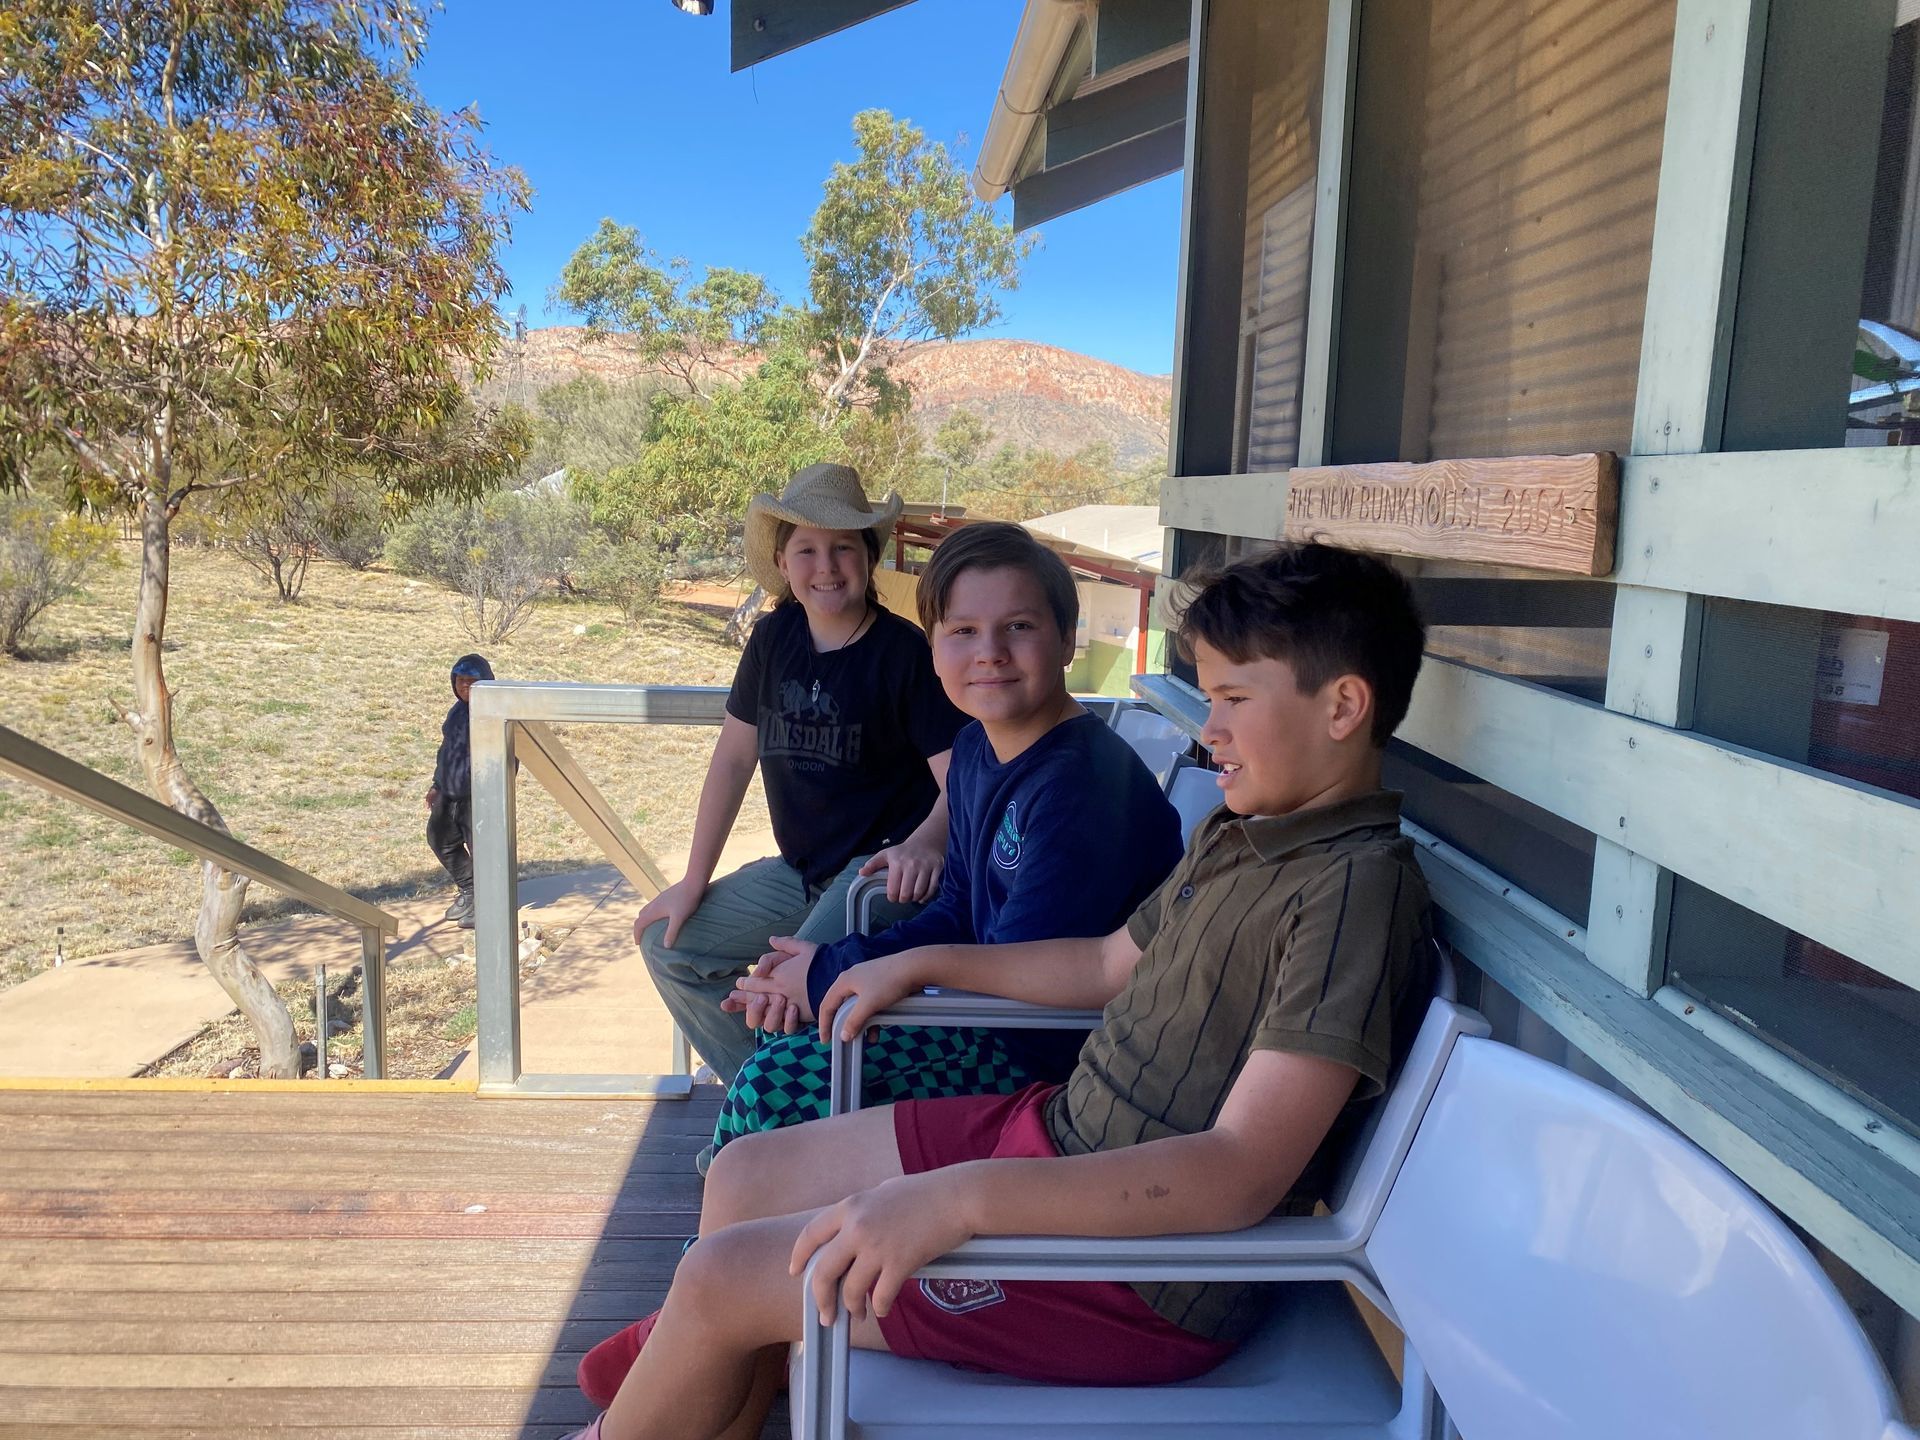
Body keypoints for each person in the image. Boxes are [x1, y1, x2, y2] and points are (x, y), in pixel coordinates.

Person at [560, 542, 1437, 1440]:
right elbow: (1102, 964)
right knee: (749, 1173)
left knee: (722, 1279)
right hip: (1062, 1136)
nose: (1208, 729)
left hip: (1138, 1279)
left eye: (1234, 700)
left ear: (1342, 706)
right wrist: (919, 962)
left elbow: (1238, 1175)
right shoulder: (1245, 832)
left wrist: (957, 1199)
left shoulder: (1350, 894)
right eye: (1209, 699)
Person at [573, 524, 1186, 1408]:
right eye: (963, 633)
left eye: (1018, 628)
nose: (990, 654)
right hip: (989, 1017)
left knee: (778, 1084)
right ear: (933, 645)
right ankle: (713, 1323)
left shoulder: (1080, 784)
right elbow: (952, 913)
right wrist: (831, 962)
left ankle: (702, 1328)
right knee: (784, 1065)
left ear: (1066, 640)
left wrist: (838, 983)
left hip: (1043, 1060)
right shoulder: (981, 750)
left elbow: (1024, 969)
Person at [635, 464, 966, 1087]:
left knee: (780, 993)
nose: (826, 566)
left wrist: (927, 841)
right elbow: (733, 760)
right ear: (783, 564)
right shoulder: (773, 638)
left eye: (845, 547)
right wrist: (691, 882)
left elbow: (962, 780)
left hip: (877, 877)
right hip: (799, 873)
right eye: (807, 550)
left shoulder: (904, 654)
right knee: (667, 944)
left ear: (869, 559)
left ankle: (780, 1131)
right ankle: (767, 1115)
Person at [426, 653, 494, 928]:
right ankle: (471, 891)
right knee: (440, 840)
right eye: (460, 681)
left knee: (484, 852)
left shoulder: (492, 716)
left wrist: (491, 794)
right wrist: (436, 784)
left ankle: (488, 905)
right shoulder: (456, 713)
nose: (465, 686)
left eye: (472, 681)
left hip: (478, 797)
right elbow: (447, 752)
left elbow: (507, 758)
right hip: (449, 793)